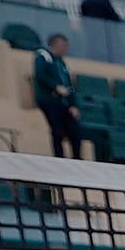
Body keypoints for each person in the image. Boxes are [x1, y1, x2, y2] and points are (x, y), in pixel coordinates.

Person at [34, 32, 84, 160]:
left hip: (64, 103)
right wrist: (55, 86)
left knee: (75, 132)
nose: (66, 49)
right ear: (54, 45)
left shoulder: (62, 63)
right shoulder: (43, 57)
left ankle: (77, 159)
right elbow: (40, 76)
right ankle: (59, 158)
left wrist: (73, 105)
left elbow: (69, 85)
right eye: (63, 46)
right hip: (49, 101)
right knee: (57, 131)